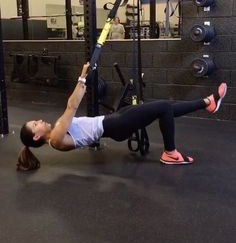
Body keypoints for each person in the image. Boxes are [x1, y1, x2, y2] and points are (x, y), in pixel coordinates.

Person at [17, 62, 227, 171]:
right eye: (35, 124)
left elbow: (72, 107)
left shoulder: (56, 131)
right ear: (36, 136)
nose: (39, 121)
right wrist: (82, 76)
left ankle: (207, 103)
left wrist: (84, 77)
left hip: (113, 121)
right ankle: (170, 153)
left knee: (166, 108)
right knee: (163, 106)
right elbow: (72, 106)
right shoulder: (55, 139)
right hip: (114, 126)